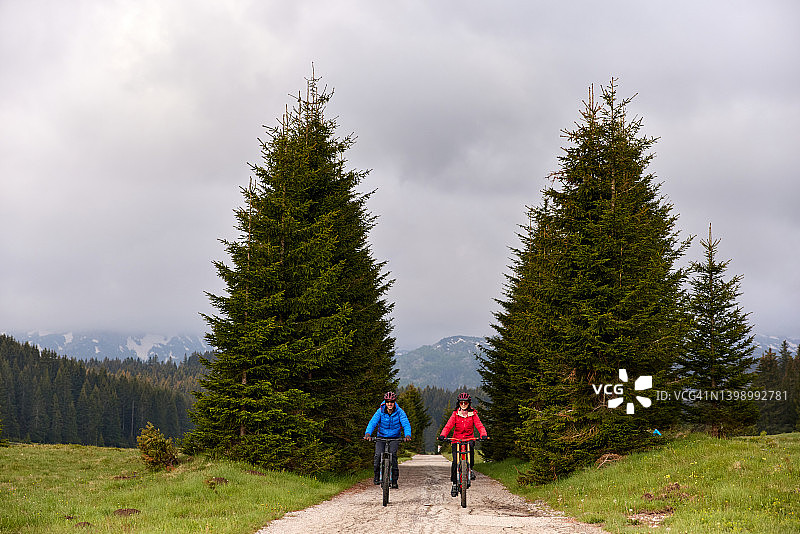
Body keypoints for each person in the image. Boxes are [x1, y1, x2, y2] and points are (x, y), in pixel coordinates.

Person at [438, 392, 487, 497]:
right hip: (456, 439)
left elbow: (479, 425)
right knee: (455, 461)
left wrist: (483, 434)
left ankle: (470, 469)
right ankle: (454, 484)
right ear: (459, 403)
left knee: (471, 453)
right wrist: (443, 435)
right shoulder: (455, 414)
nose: (463, 404)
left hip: (469, 438)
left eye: (465, 402)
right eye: (461, 402)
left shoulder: (473, 414)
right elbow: (448, 426)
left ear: (469, 403)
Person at [364, 391, 412, 488]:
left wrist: (407, 435)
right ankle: (376, 476)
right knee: (378, 455)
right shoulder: (380, 411)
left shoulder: (400, 412)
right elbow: (373, 422)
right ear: (385, 402)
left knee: (393, 455)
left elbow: (405, 423)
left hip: (394, 437)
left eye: (392, 402)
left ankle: (394, 480)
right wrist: (368, 433)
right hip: (381, 437)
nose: (390, 404)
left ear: (394, 402)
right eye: (388, 402)